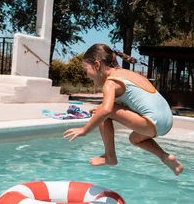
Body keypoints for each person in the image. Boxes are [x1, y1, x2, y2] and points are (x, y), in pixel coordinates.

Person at [63, 43, 183, 176]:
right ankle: (165, 157)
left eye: (86, 69)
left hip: (152, 122)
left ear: (97, 65)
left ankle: (110, 156)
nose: (87, 75)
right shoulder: (127, 74)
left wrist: (84, 130)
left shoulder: (110, 83)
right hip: (167, 121)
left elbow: (107, 110)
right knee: (135, 139)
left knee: (102, 112)